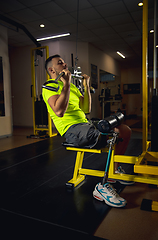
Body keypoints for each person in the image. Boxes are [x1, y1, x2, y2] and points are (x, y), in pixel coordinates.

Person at [42, 54, 132, 208]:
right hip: (72, 130)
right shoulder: (49, 86)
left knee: (124, 129)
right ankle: (101, 187)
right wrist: (67, 85)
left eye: (63, 62)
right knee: (110, 133)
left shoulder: (73, 87)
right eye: (60, 63)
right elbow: (58, 111)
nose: (65, 64)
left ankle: (114, 171)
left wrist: (85, 85)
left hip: (85, 124)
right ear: (51, 69)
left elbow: (86, 109)